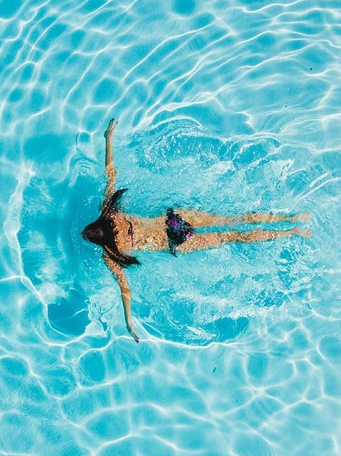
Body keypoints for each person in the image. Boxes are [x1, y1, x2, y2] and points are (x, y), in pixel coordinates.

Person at [81, 118, 310, 342]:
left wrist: (129, 322)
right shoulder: (110, 212)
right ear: (98, 224)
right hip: (172, 221)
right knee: (234, 219)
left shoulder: (110, 254)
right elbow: (111, 174)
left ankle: (291, 233)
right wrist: (109, 139)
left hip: (179, 241)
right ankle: (289, 218)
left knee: (234, 238)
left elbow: (125, 290)